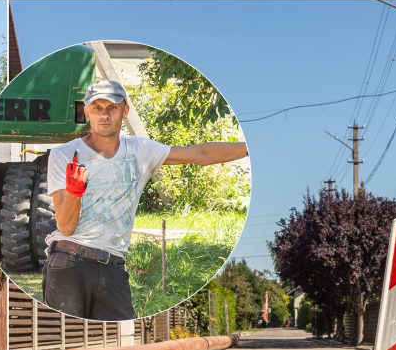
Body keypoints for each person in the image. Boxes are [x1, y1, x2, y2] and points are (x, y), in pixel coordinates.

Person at [43, 80, 248, 321]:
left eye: (112, 107)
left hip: (113, 266)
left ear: (125, 110)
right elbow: (66, 226)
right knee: (69, 339)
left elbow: (200, 154)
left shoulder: (140, 150)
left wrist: (251, 148)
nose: (104, 115)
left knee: (116, 342)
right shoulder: (64, 155)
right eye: (97, 108)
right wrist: (75, 192)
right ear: (87, 112)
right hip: (69, 263)